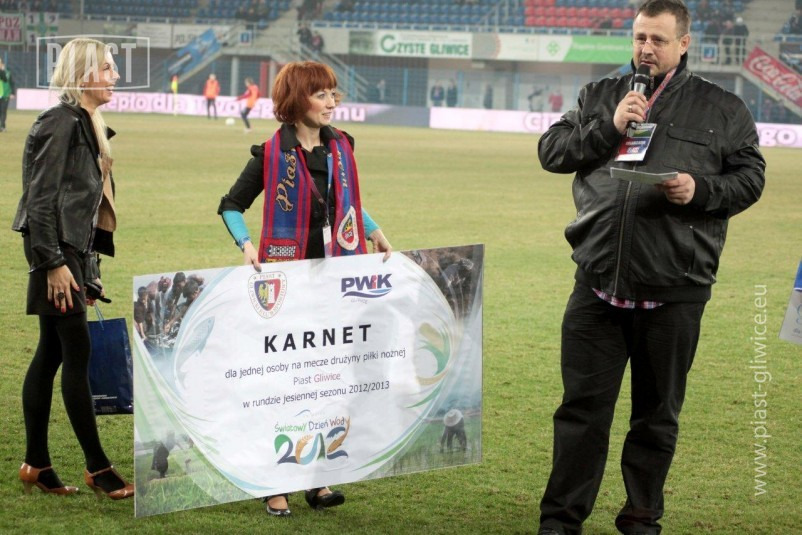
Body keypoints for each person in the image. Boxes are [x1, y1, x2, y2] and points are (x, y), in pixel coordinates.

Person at [536, 1, 765, 533]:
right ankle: (560, 520)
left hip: (674, 289)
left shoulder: (723, 107)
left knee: (656, 418)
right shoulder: (601, 95)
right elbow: (552, 151)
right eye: (640, 37)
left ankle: (641, 519)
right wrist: (609, 126)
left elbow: (751, 178)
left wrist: (700, 189)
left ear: (683, 44)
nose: (646, 49)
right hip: (597, 284)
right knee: (580, 412)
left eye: (658, 40)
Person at [217, 60, 392, 517]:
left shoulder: (340, 146)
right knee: (284, 386)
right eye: (321, 95)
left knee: (323, 382)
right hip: (287, 282)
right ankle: (272, 483)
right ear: (298, 100)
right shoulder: (271, 154)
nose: (332, 102)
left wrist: (373, 230)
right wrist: (246, 245)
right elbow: (230, 205)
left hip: (334, 281)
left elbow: (345, 203)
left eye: (333, 93)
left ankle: (316, 479)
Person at [11, 37, 135, 500]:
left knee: (51, 353)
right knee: (75, 350)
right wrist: (54, 264)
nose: (115, 76)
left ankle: (37, 464)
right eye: (107, 68)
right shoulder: (59, 122)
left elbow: (85, 209)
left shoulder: (86, 122)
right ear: (83, 74)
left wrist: (89, 269)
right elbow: (39, 199)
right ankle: (98, 468)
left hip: (70, 255)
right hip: (55, 254)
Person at [0, 57, 16, 132]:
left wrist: (12, 93)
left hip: (5, 95)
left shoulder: (8, 73)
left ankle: (2, 126)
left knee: (3, 111)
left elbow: (12, 83)